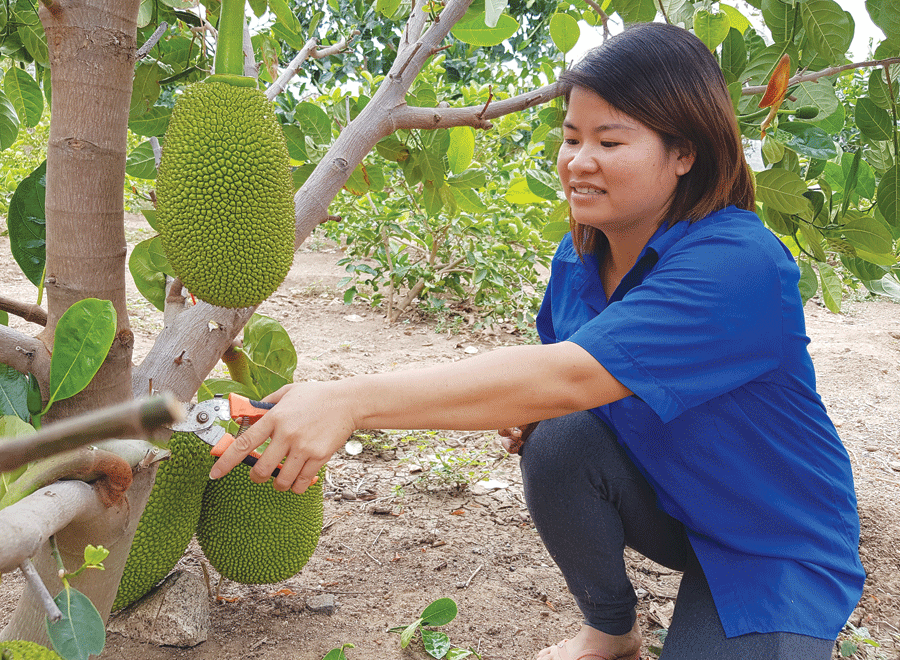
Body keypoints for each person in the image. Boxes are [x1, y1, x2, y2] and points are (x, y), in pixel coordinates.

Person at [209, 22, 865, 660]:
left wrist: (347, 401)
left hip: (774, 542)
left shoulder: (739, 263)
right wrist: (534, 414)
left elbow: (569, 376)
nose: (579, 162)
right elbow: (553, 393)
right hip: (674, 501)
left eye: (609, 142)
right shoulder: (578, 262)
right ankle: (610, 631)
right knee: (557, 438)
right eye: (571, 137)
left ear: (684, 153)